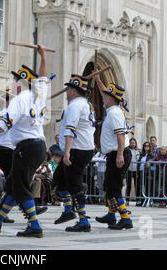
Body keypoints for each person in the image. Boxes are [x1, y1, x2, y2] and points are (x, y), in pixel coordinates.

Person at [0, 45, 49, 238]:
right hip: (39, 146)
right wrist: (42, 56)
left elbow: (4, 124)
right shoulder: (39, 93)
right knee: (13, 184)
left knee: (19, 186)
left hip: (26, 147)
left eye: (15, 79)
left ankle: (35, 226)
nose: (13, 82)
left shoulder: (20, 99)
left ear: (20, 82)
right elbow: (43, 76)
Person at [54, 74, 96, 232]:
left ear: (75, 90)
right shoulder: (86, 104)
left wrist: (66, 152)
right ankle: (68, 211)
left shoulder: (75, 106)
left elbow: (70, 130)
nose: (66, 91)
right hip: (84, 147)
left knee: (75, 185)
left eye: (69, 88)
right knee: (59, 181)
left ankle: (84, 221)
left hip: (76, 149)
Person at [94, 76, 133, 230]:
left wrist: (119, 155)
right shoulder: (112, 110)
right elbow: (104, 92)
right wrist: (98, 79)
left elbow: (121, 135)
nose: (104, 97)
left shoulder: (115, 113)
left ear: (112, 98)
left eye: (107, 96)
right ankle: (111, 215)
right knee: (109, 186)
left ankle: (125, 218)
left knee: (114, 187)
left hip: (119, 153)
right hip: (114, 153)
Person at [126, 138, 141, 205]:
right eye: (131, 142)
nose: (132, 144)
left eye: (133, 143)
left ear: (135, 143)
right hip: (128, 170)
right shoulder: (127, 150)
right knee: (128, 185)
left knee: (137, 186)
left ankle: (138, 200)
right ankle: (127, 200)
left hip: (136, 170)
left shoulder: (138, 151)